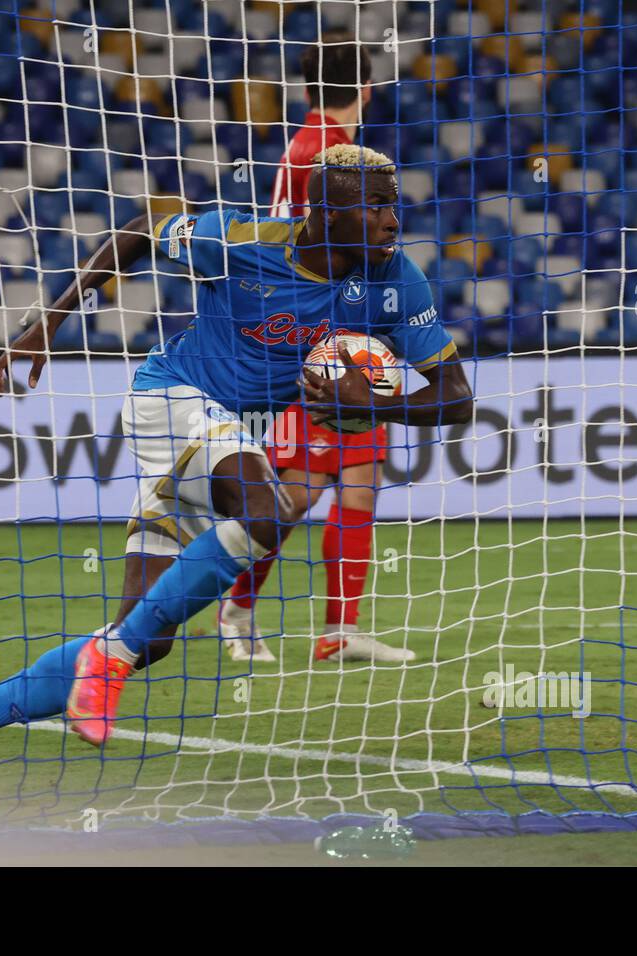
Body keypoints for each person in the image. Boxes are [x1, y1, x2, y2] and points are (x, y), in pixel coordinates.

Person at [0, 145, 472, 807]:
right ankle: (107, 658)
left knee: (149, 637)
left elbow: (455, 397)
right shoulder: (243, 242)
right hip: (168, 398)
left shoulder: (397, 280)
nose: (390, 220)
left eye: (392, 204)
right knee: (271, 510)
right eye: (371, 206)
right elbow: (144, 227)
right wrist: (49, 322)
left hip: (216, 440)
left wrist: (379, 405)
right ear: (321, 216)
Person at [220, 35, 399, 664]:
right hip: (312, 338)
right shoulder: (331, 154)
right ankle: (236, 608)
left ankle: (339, 630)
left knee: (357, 483)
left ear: (303, 89)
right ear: (368, 90)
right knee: (295, 494)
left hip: (332, 334)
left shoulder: (309, 143)